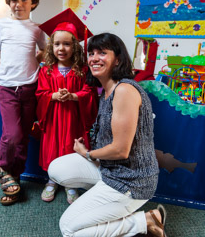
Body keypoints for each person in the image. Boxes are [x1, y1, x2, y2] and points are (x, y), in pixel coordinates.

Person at [48, 33, 167, 236]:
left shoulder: (125, 90)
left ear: (118, 59)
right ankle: (106, 200)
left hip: (132, 181)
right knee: (56, 168)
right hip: (110, 169)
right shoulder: (106, 91)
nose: (94, 58)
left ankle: (145, 221)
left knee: (68, 229)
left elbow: (121, 150)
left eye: (102, 53)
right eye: (91, 53)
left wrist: (87, 154)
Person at [0, 0, 46, 206]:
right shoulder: (1, 25)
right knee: (11, 134)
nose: (18, 4)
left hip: (29, 87)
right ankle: (3, 168)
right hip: (6, 88)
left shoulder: (37, 29)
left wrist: (34, 59)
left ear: (33, 2)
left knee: (23, 136)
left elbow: (44, 51)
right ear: (8, 1)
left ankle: (16, 178)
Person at [36, 8, 98, 204]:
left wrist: (73, 96)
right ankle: (52, 180)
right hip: (54, 118)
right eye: (56, 44)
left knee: (71, 147)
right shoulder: (46, 71)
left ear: (76, 47)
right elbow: (40, 93)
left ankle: (70, 183)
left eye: (66, 44)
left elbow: (89, 92)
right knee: (54, 147)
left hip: (73, 118)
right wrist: (53, 95)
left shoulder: (82, 70)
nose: (61, 48)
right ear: (51, 46)